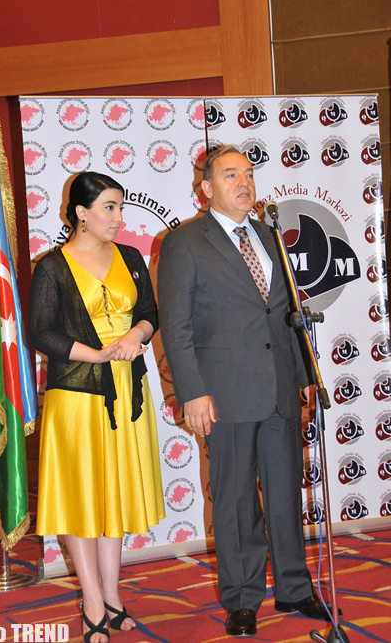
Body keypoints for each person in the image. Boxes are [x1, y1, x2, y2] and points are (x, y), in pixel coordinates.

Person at [157, 145, 331, 637]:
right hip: (223, 393)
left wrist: (304, 375)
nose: (244, 182)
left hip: (279, 386)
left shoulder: (270, 234)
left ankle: (294, 587)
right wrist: (192, 392)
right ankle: (242, 598)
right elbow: (176, 326)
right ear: (205, 188)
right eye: (231, 174)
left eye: (249, 173)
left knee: (285, 494)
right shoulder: (184, 242)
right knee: (235, 502)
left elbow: (284, 312)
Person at [29, 172, 165, 643]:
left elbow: (149, 312)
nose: (119, 217)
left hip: (127, 393)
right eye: (110, 207)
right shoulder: (51, 267)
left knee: (114, 494)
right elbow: (40, 332)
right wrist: (96, 355)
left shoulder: (130, 257)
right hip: (77, 397)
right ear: (81, 213)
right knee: (81, 497)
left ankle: (112, 595)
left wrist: (135, 335)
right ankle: (91, 601)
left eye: (121, 207)